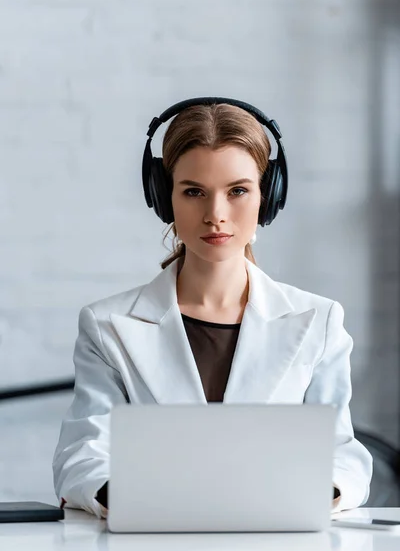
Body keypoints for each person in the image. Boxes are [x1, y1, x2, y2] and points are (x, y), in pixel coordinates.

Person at [52, 97, 373, 519]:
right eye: (193, 192)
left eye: (238, 190)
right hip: (156, 537)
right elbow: (81, 455)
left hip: (275, 538)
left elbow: (344, 455)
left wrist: (316, 493)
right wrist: (137, 500)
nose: (215, 215)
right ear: (164, 199)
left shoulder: (320, 321)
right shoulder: (107, 326)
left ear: (268, 197)